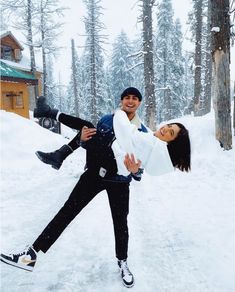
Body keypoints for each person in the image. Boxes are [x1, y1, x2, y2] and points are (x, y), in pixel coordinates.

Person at [0, 87, 148, 289]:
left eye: (135, 98)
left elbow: (140, 170)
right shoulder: (107, 119)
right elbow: (93, 143)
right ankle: (30, 255)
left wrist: (135, 171)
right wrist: (82, 140)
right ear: (121, 100)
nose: (130, 101)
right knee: (66, 212)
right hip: (95, 175)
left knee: (120, 223)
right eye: (127, 98)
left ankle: (122, 262)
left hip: (119, 182)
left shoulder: (141, 131)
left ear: (139, 103)